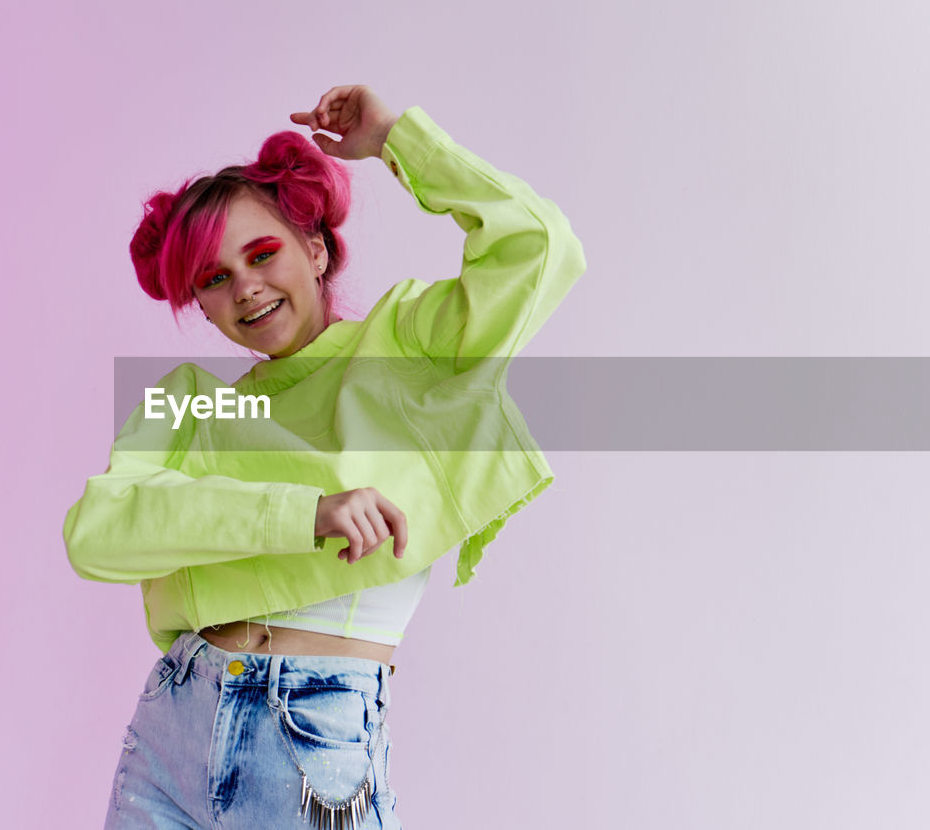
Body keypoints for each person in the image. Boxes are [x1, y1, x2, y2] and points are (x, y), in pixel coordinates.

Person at [63, 84, 586, 829]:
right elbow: (98, 531)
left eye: (263, 252)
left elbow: (541, 246)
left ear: (314, 248)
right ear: (202, 303)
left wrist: (399, 140)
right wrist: (306, 512)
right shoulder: (192, 402)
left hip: (311, 737)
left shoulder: (403, 350)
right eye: (214, 277)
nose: (246, 286)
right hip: (169, 732)